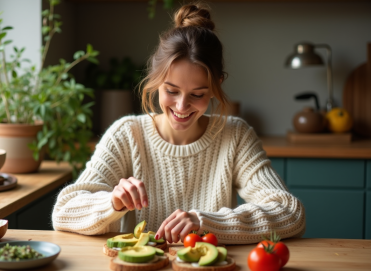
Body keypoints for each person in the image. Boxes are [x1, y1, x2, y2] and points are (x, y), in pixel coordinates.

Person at [52, 3, 306, 244]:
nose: (182, 107)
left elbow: (289, 213)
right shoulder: (127, 134)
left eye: (197, 95)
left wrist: (205, 222)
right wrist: (112, 203)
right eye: (171, 91)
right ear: (156, 80)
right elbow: (64, 212)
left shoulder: (235, 136)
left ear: (217, 84)